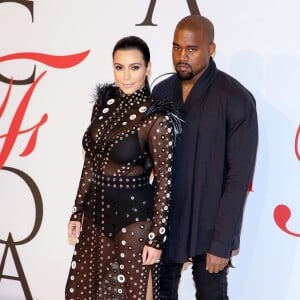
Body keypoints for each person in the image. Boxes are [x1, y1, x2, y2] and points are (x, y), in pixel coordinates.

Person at [65, 36, 181, 300]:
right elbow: (91, 163)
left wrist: (156, 238)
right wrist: (77, 210)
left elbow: (164, 183)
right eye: (119, 67)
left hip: (135, 220)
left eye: (134, 67)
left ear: (148, 67)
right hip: (96, 215)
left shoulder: (156, 116)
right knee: (82, 293)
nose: (126, 76)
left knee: (134, 294)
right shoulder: (103, 105)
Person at [152, 15, 258, 299]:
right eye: (176, 48)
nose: (181, 56)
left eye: (191, 49)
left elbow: (239, 177)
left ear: (211, 49)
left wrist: (222, 242)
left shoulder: (235, 97)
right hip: (165, 222)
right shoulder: (161, 92)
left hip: (210, 226)